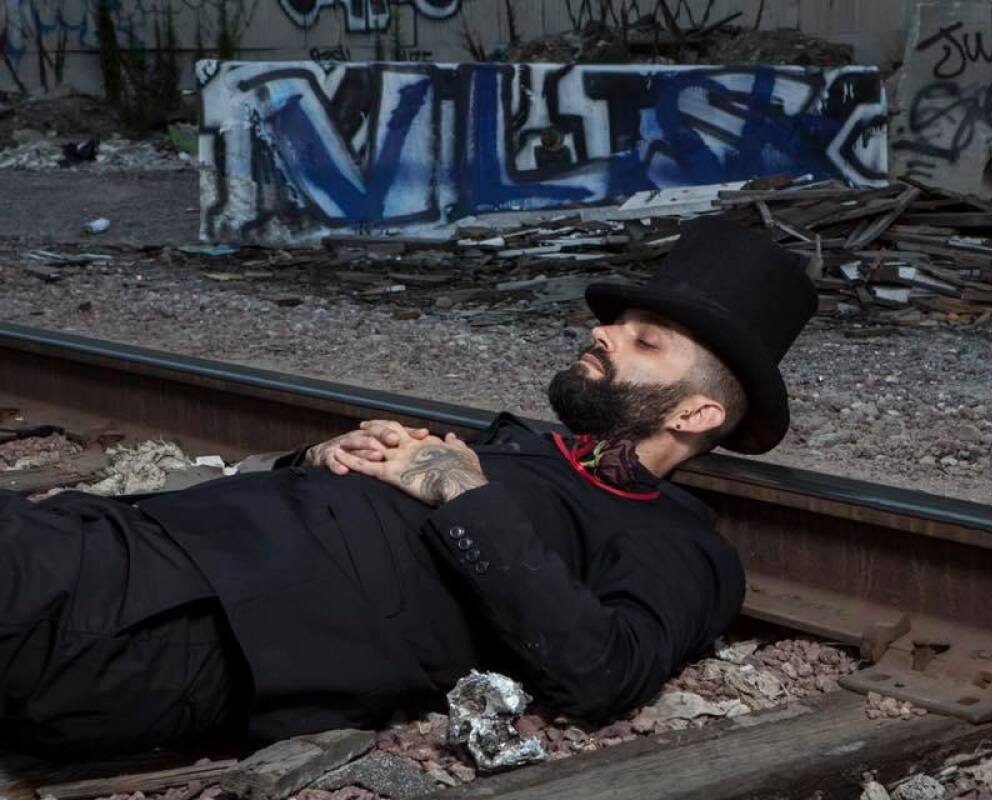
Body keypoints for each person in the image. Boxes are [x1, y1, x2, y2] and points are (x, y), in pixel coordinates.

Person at [0, 218, 818, 756]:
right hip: (133, 545)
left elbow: (604, 670)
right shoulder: (521, 449)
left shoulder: (676, 540)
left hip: (189, 628)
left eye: (643, 340)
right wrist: (320, 457)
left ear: (698, 411)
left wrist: (463, 493)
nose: (601, 331)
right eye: (613, 323)